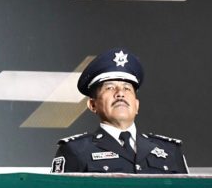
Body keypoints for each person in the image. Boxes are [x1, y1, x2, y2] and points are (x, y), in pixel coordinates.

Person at [51, 48, 188, 174]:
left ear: (136, 105)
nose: (120, 94)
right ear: (93, 105)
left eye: (127, 88)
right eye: (110, 88)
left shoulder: (170, 151)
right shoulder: (75, 150)